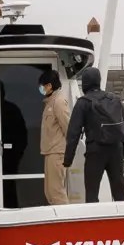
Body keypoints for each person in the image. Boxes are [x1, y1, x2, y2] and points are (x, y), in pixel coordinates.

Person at [64, 67, 124, 202]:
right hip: (116, 150)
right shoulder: (115, 99)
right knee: (119, 190)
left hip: (95, 152)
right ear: (98, 81)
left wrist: (68, 159)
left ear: (85, 83)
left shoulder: (83, 103)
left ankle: (94, 221)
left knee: (92, 192)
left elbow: (73, 133)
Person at [39, 69, 71, 205]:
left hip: (57, 153)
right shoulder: (50, 102)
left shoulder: (58, 102)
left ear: (49, 86)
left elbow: (68, 128)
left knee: (57, 192)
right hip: (50, 152)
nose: (40, 88)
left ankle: (66, 223)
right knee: (50, 192)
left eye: (42, 85)